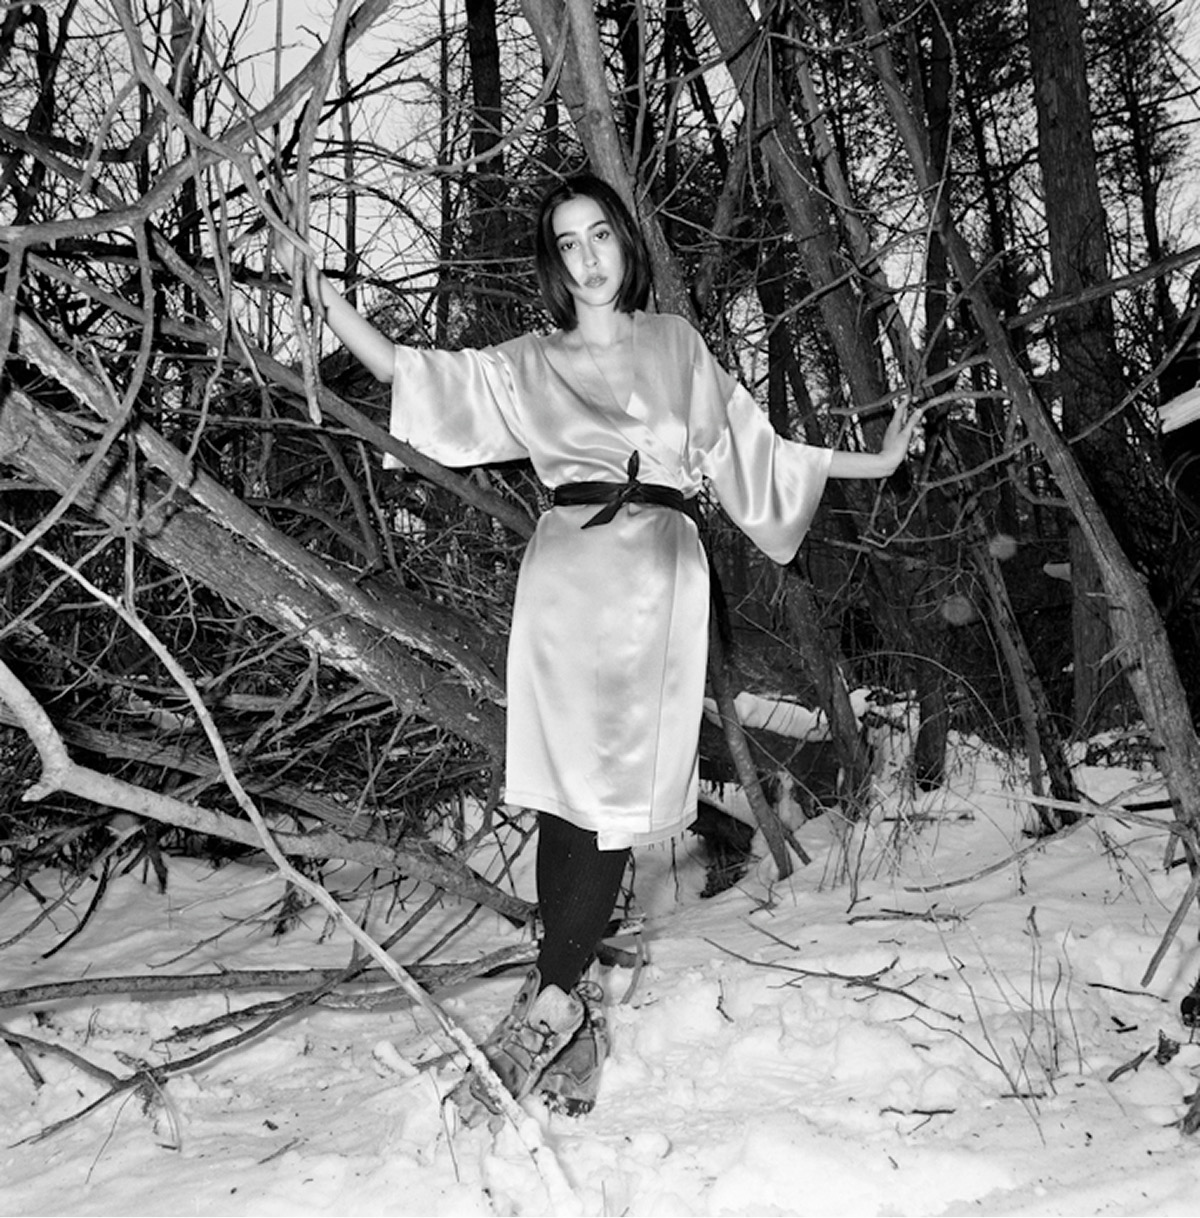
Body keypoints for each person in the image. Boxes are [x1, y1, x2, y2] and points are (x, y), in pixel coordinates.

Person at [276, 172, 921, 1123]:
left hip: (654, 580)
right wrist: (326, 300)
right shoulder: (533, 361)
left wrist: (877, 460)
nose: (587, 258)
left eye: (599, 236)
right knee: (563, 793)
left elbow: (754, 450)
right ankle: (569, 1018)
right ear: (555, 260)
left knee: (613, 795)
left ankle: (548, 1001)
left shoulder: (675, 345)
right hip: (563, 582)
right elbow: (421, 378)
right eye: (567, 243)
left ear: (625, 240)